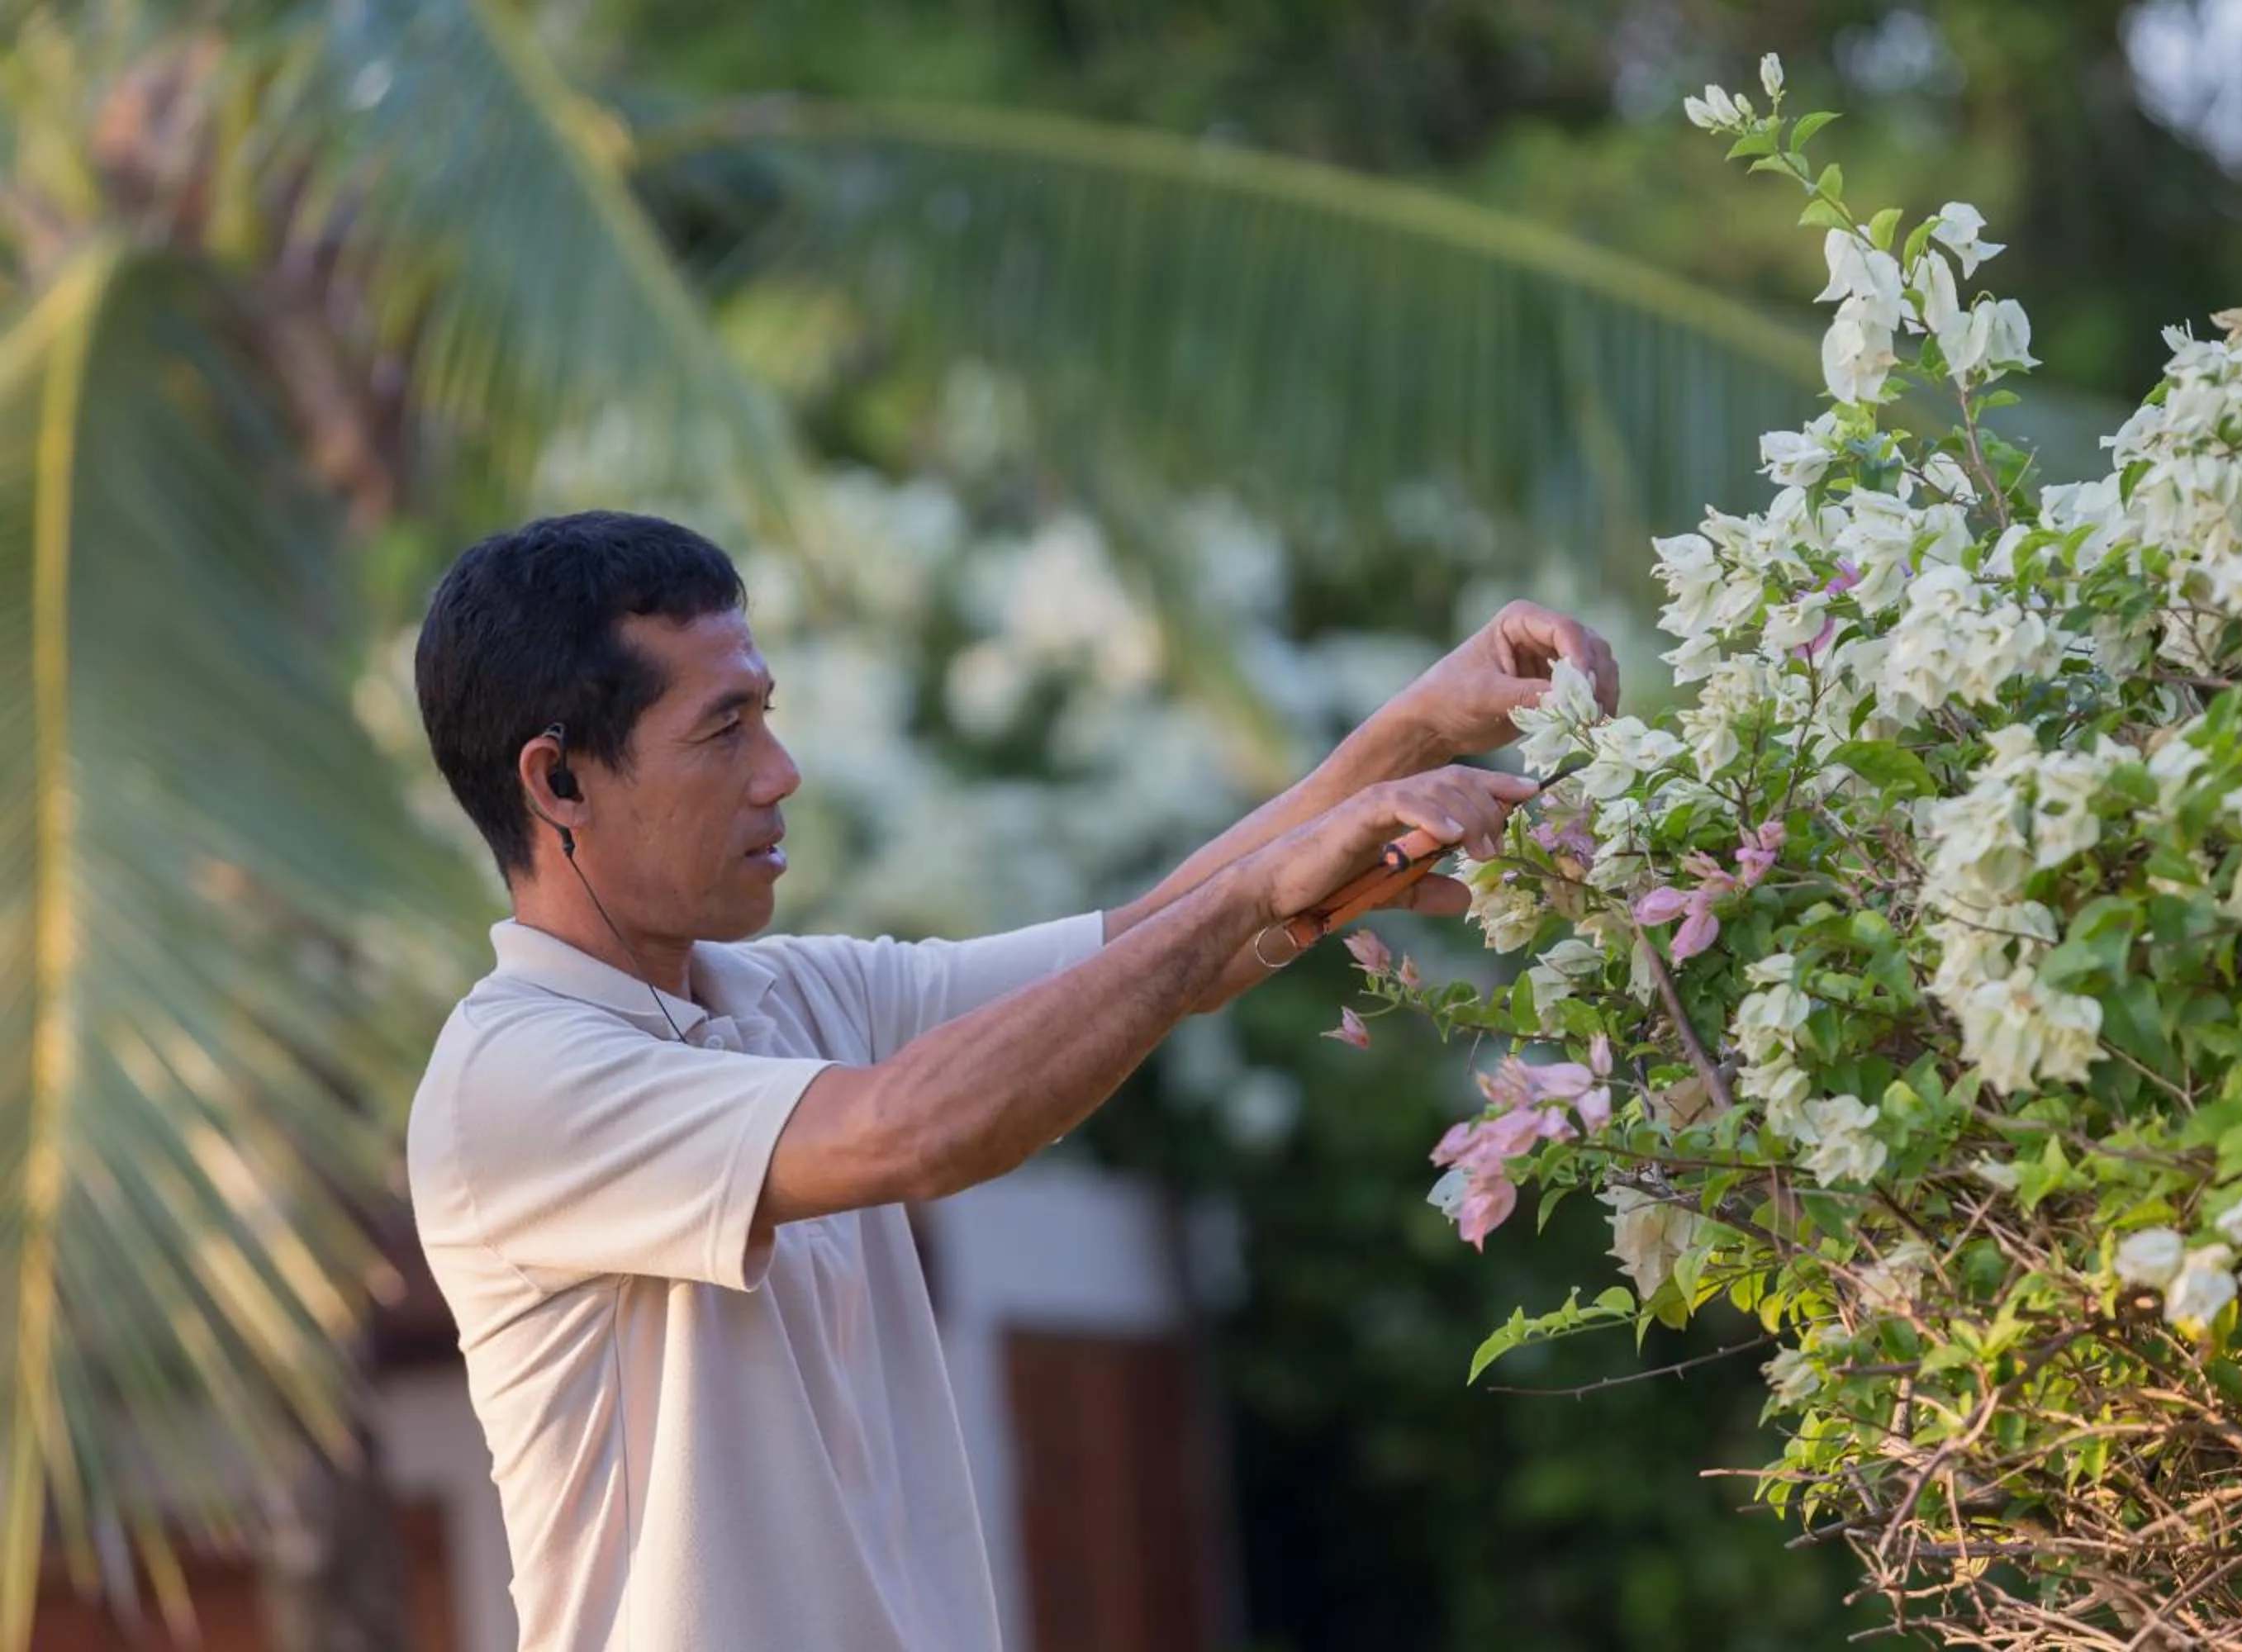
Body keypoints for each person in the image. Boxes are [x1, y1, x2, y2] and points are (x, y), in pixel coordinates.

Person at [405, 510, 1619, 1651]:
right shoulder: (514, 1081)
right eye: (724, 730)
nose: (780, 773)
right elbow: (919, 1129)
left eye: (766, 715)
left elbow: (1152, 947)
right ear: (556, 782)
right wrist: (1270, 887)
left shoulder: (785, 996)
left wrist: (1413, 735)